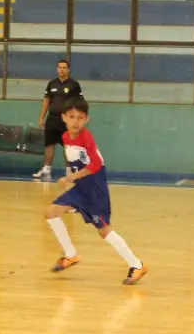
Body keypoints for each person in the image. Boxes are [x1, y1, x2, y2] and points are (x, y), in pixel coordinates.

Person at [45, 97, 147, 285]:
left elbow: (96, 164)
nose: (76, 121)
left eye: (80, 117)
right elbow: (73, 160)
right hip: (80, 188)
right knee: (51, 212)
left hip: (94, 191)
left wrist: (72, 178)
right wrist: (70, 175)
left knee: (103, 230)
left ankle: (136, 264)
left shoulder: (86, 137)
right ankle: (71, 254)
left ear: (86, 120)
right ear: (64, 117)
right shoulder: (66, 137)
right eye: (72, 116)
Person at [33, 59, 84, 180]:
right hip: (52, 119)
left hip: (67, 121)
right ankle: (46, 169)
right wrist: (41, 117)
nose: (62, 70)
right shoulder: (52, 83)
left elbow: (80, 102)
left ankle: (69, 170)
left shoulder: (74, 84)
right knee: (49, 144)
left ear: (68, 69)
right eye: (60, 67)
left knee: (68, 145)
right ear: (57, 69)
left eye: (64, 67)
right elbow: (46, 101)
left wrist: (78, 119)